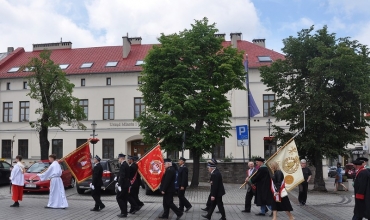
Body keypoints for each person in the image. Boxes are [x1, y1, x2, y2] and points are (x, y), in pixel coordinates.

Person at [116, 153, 130, 218]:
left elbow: (122, 176)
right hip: (126, 184)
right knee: (124, 198)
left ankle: (123, 212)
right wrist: (117, 177)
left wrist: (119, 184)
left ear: (121, 158)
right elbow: (122, 174)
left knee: (119, 198)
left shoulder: (123, 165)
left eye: (119, 158)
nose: (118, 159)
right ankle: (124, 212)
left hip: (123, 184)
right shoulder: (126, 164)